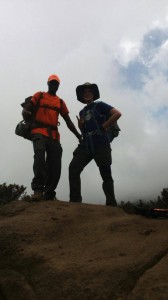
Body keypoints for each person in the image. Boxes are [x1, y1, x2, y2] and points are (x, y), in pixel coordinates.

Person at [22, 74, 81, 200]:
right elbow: (26, 109)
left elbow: (68, 121)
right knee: (39, 155)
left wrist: (78, 135)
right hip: (38, 131)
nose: (54, 85)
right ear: (48, 84)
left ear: (58, 86)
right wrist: (26, 113)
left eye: (56, 83)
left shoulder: (60, 102)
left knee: (55, 165)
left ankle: (49, 193)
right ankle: (38, 190)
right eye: (52, 83)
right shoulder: (39, 95)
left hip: (54, 135)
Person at [69, 82, 122, 206]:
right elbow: (84, 131)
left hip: (101, 142)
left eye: (89, 91)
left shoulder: (100, 105)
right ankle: (75, 202)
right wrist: (80, 126)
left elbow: (117, 113)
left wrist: (104, 126)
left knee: (105, 173)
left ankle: (111, 204)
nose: (87, 94)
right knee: (73, 168)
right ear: (82, 96)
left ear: (93, 94)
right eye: (84, 92)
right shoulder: (82, 112)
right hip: (86, 144)